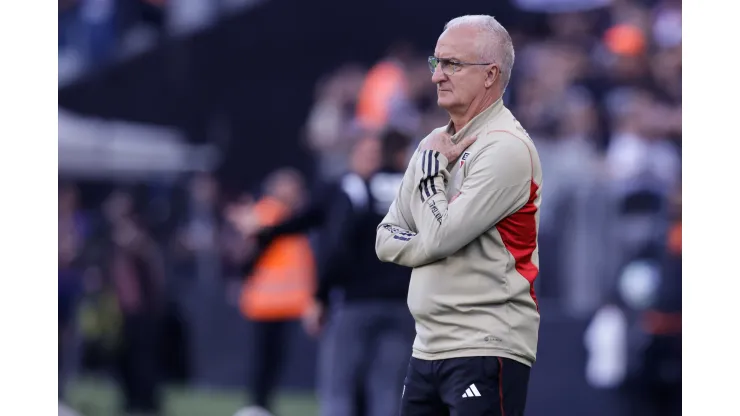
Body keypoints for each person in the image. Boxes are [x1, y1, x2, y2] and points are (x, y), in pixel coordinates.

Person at [375, 15, 544, 416]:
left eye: (453, 64)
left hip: (485, 345)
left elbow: (439, 237)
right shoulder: (433, 144)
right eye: (437, 63)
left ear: (490, 75)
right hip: (427, 346)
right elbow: (385, 236)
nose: (437, 76)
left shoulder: (506, 147)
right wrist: (425, 242)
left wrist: (431, 173)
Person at [305, 129, 417, 416]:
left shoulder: (356, 187)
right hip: (402, 303)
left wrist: (321, 295)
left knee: (338, 389)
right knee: (385, 391)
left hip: (357, 301)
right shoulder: (415, 190)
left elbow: (337, 246)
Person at [228, 168, 316, 416]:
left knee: (274, 362)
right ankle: (256, 406)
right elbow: (246, 250)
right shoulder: (267, 213)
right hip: (265, 301)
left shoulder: (293, 217)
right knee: (263, 361)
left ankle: (263, 406)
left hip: (286, 303)